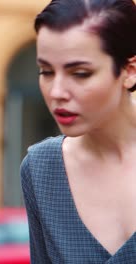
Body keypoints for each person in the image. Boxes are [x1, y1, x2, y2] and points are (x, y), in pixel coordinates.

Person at [20, 0, 136, 263]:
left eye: (80, 73)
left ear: (129, 71)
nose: (57, 92)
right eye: (46, 71)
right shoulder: (41, 169)